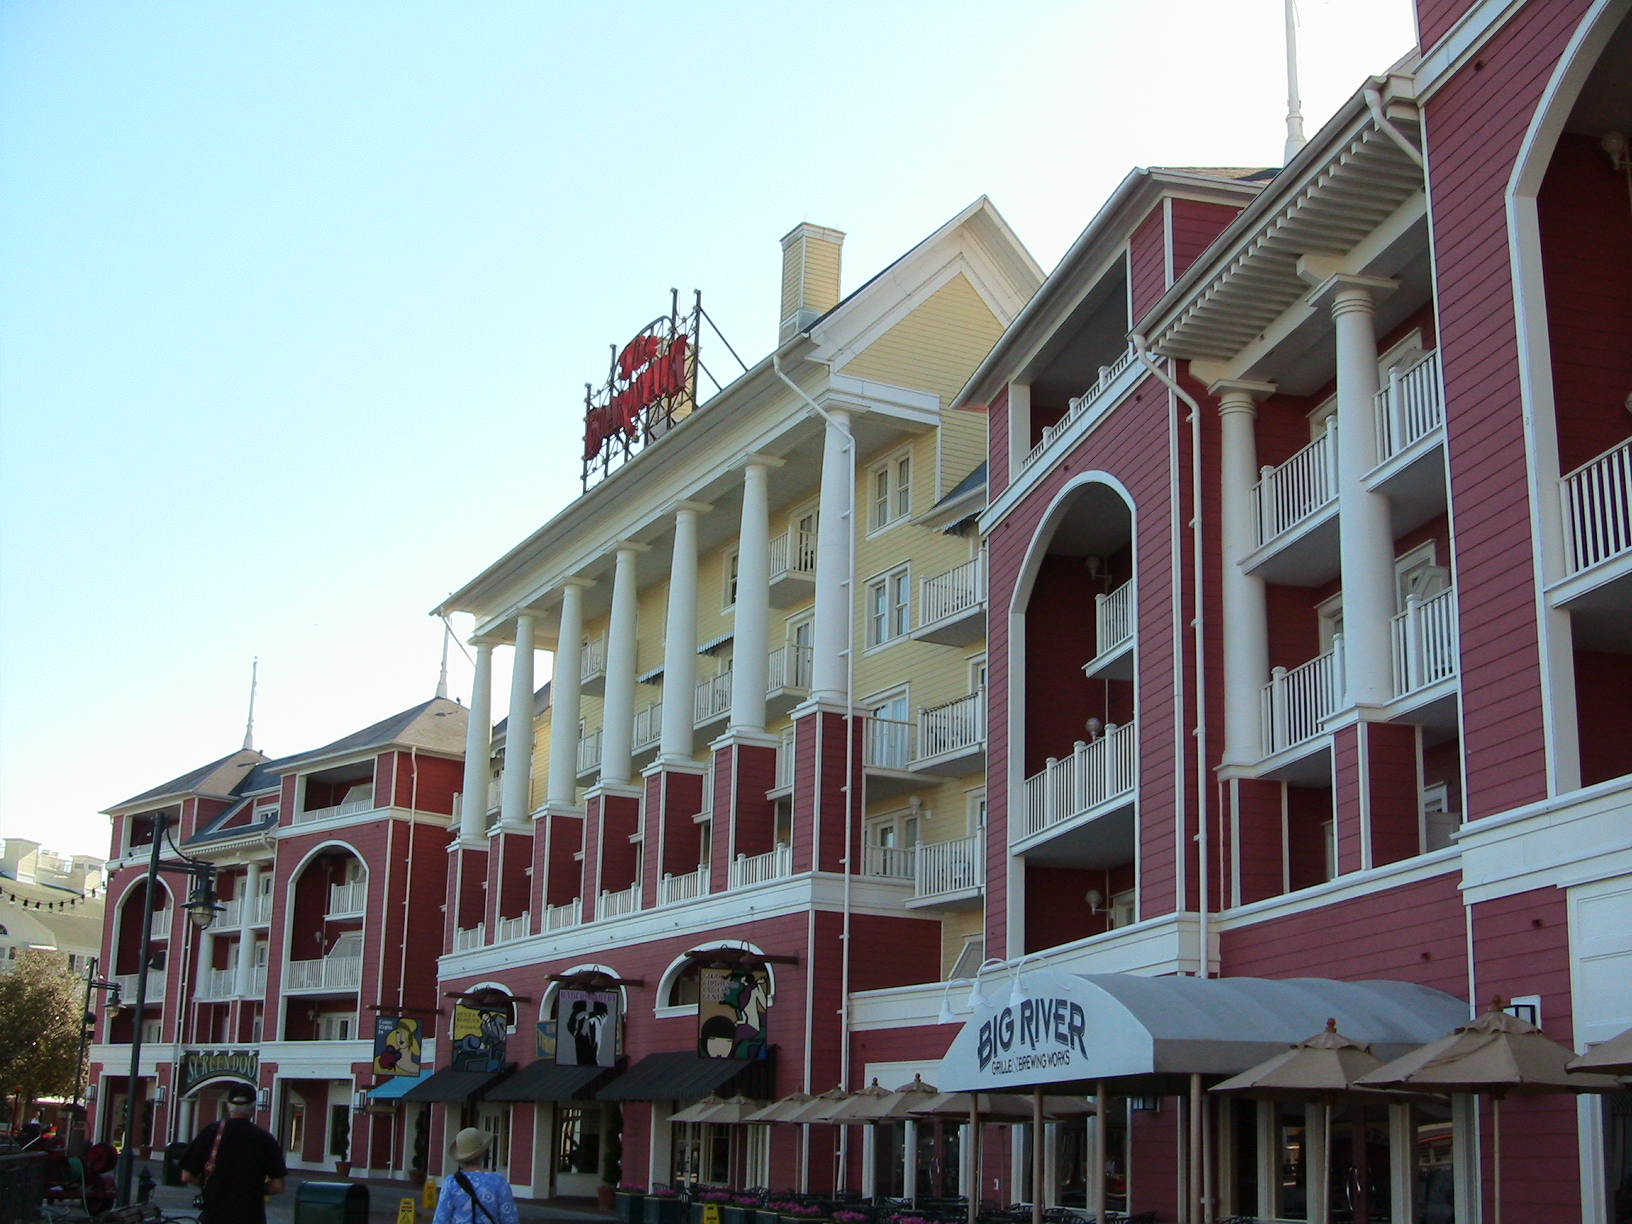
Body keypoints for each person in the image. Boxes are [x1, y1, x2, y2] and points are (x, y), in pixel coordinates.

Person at [179, 1083, 287, 1224]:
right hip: (251, 1216)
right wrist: (254, 1190)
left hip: (214, 1216)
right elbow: (278, 1185)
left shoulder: (211, 1132)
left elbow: (187, 1175)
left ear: (228, 1106)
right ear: (253, 1107)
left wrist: (210, 1185)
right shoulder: (264, 1139)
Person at [434, 1127, 519, 1224]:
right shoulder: (498, 1181)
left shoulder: (451, 1182)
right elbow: (510, 1218)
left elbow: (441, 1219)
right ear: (483, 1153)